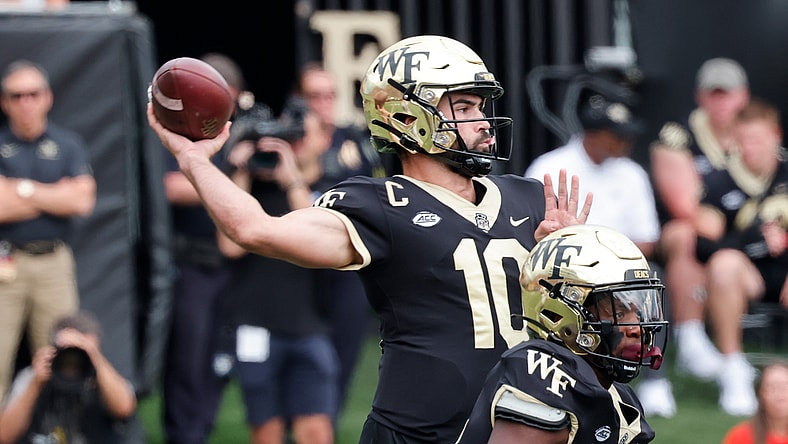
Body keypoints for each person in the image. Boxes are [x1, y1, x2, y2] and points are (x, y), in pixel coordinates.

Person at [147, 34, 592, 443]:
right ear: (405, 115)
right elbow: (255, 230)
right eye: (465, 106)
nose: (484, 121)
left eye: (482, 105)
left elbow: (594, 331)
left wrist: (562, 269)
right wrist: (193, 158)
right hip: (419, 432)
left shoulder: (532, 198)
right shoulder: (380, 204)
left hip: (524, 428)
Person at [524, 96, 674, 418]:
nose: (627, 141)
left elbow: (648, 241)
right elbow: (533, 237)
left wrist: (605, 254)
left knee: (653, 277)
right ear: (594, 134)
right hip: (564, 273)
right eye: (618, 134)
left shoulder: (632, 173)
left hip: (618, 268)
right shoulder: (549, 166)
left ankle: (654, 380)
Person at [456, 224, 668, 443]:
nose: (636, 328)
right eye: (620, 312)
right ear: (562, 312)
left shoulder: (621, 398)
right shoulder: (541, 377)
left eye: (639, 311)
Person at [161, 52, 272, 444]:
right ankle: (183, 434)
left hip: (235, 265)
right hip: (192, 264)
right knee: (188, 360)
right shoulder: (179, 129)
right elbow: (171, 188)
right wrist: (226, 172)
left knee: (221, 361)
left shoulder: (239, 134)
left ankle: (200, 430)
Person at [216, 99, 339, 444]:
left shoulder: (334, 188)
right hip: (256, 323)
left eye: (301, 136)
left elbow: (317, 234)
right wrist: (240, 171)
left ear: (322, 141)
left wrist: (291, 181)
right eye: (289, 136)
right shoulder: (255, 190)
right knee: (266, 431)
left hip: (309, 327)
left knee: (315, 430)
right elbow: (230, 246)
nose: (293, 144)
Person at [0, 59, 96, 404]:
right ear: (5, 102)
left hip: (54, 261)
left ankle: (57, 431)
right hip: (6, 261)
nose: (26, 102)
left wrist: (20, 189)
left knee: (62, 357)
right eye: (17, 95)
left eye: (33, 94)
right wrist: (54, 194)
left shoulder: (67, 144)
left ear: (47, 98)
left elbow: (83, 201)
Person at [649, 57, 751, 383]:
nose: (721, 102)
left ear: (743, 96)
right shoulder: (677, 134)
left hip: (747, 242)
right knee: (683, 233)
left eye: (728, 93)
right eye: (714, 93)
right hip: (695, 239)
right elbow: (684, 206)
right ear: (700, 96)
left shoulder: (755, 133)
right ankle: (691, 338)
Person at [293, 62, 386, 413]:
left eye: (330, 95)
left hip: (347, 264)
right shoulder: (289, 142)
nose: (324, 103)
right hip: (301, 269)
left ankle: (327, 423)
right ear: (299, 100)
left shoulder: (356, 140)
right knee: (307, 356)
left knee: (344, 353)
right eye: (314, 96)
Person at [699, 98, 788, 416]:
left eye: (757, 139)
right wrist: (753, 237)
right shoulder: (719, 180)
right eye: (744, 139)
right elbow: (703, 243)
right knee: (723, 264)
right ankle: (733, 370)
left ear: (775, 135)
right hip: (748, 274)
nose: (750, 147)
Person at [0, 310, 137, 443]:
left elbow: (124, 409)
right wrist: (35, 384)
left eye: (83, 352)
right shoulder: (36, 376)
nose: (74, 362)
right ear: (53, 349)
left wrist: (94, 359)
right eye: (68, 352)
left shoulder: (105, 375)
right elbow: (4, 436)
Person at [722, 359, 788, 444]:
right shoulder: (741, 436)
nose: (779, 395)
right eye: (771, 388)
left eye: (784, 387)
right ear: (761, 394)